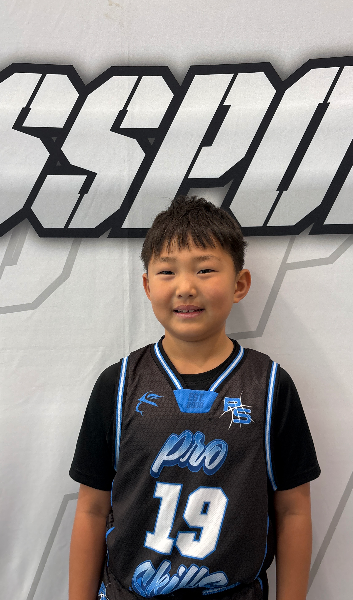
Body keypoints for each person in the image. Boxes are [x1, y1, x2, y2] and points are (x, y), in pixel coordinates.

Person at [69, 195, 320, 600]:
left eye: (205, 270)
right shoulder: (118, 385)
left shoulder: (270, 386)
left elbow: (293, 510)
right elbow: (92, 509)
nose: (186, 287)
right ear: (148, 286)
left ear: (239, 284)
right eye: (167, 271)